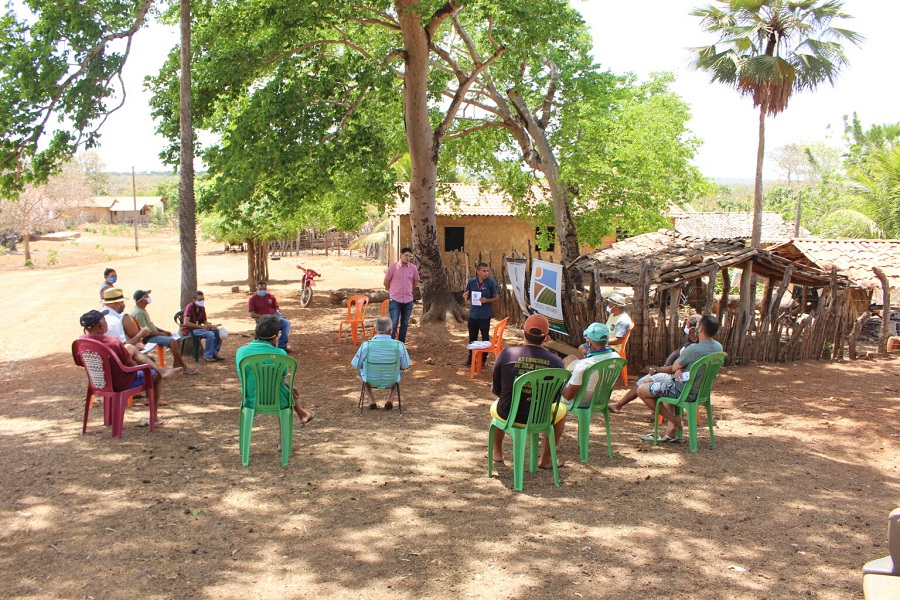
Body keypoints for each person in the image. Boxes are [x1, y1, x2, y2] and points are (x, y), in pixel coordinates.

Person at [490, 314, 566, 469]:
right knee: (562, 411)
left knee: (501, 403)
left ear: (522, 334)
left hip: (508, 413)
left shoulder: (506, 354)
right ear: (547, 338)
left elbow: (497, 390)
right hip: (540, 417)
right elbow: (554, 398)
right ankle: (546, 459)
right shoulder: (556, 362)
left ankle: (497, 452)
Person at [636, 314, 723, 442]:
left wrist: (675, 368)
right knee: (667, 384)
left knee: (642, 389)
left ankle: (674, 419)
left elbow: (674, 367)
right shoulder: (718, 347)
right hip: (701, 392)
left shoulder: (693, 349)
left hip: (683, 391)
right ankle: (671, 432)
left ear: (701, 329)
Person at [78, 309, 179, 418]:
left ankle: (162, 370)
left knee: (130, 347)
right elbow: (130, 364)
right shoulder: (113, 343)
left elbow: (80, 362)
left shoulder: (80, 342)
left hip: (97, 382)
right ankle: (154, 417)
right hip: (119, 382)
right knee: (154, 375)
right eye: (104, 320)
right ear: (101, 325)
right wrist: (139, 365)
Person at [609, 313, 701, 414]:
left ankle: (662, 414)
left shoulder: (691, 348)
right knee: (648, 378)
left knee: (645, 382)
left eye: (687, 324)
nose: (685, 327)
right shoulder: (694, 343)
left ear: (692, 329)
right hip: (676, 375)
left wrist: (657, 370)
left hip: (674, 377)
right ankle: (620, 405)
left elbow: (675, 368)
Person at [235, 315, 313, 425]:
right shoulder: (280, 354)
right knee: (284, 393)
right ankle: (282, 440)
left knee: (284, 390)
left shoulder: (241, 352)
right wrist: (290, 387)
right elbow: (282, 376)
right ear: (275, 336)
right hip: (278, 401)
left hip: (250, 399)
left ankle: (303, 414)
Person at [127, 289, 199, 374]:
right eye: (146, 297)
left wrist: (163, 331)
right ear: (141, 300)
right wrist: (161, 333)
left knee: (177, 339)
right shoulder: (139, 312)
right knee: (172, 341)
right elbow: (146, 333)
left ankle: (176, 364)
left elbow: (150, 325)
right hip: (148, 338)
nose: (149, 298)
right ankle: (183, 366)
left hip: (153, 334)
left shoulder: (141, 310)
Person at [352, 316, 411, 410]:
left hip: (370, 378)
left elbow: (356, 364)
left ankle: (372, 400)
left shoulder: (366, 345)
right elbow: (406, 365)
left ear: (375, 328)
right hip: (392, 379)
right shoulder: (399, 345)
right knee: (399, 372)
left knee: (360, 373)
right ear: (390, 330)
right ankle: (390, 399)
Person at [561, 323, 620, 408]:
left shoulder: (583, 365)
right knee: (572, 358)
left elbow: (568, 396)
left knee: (569, 361)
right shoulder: (616, 357)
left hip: (580, 402)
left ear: (589, 342)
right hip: (600, 400)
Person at [463, 262, 499, 367]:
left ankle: (483, 360)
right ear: (477, 271)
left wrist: (486, 300)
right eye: (484, 271)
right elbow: (469, 295)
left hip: (485, 315)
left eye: (487, 271)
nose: (486, 273)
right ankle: (470, 359)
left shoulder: (490, 283)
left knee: (485, 338)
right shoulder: (472, 282)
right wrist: (466, 296)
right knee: (472, 338)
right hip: (473, 315)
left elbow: (496, 298)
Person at [383, 247, 420, 342]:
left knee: (404, 323)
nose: (408, 258)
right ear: (400, 255)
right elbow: (386, 282)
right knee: (394, 323)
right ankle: (391, 344)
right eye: (406, 255)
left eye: (409, 256)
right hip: (395, 299)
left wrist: (409, 290)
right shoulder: (393, 267)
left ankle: (401, 344)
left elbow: (415, 281)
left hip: (408, 300)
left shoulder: (413, 268)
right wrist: (391, 291)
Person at [181, 290, 225, 362]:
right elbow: (186, 323)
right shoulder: (190, 307)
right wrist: (201, 327)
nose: (202, 301)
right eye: (199, 300)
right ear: (194, 300)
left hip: (198, 329)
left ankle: (214, 352)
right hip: (190, 330)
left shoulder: (202, 308)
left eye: (203, 299)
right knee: (210, 334)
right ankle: (208, 355)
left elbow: (204, 321)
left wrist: (210, 326)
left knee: (217, 332)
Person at [247, 281, 291, 352]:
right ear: (257, 289)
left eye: (264, 289)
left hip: (274, 319)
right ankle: (270, 347)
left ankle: (282, 346)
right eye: (260, 289)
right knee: (270, 327)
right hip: (262, 321)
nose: (262, 290)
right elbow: (252, 314)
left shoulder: (271, 297)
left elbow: (276, 308)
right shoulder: (252, 299)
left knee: (286, 323)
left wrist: (278, 313)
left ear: (266, 288)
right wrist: (265, 316)